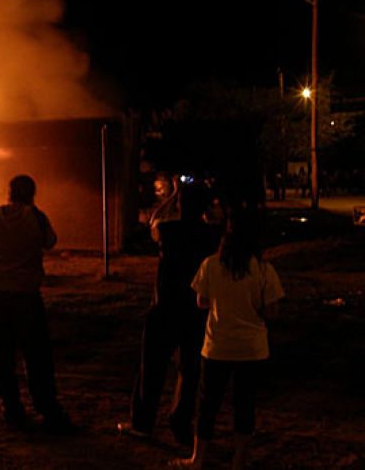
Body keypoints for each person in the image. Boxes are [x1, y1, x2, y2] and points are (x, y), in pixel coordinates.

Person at [173, 209, 284, 469]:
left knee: (207, 404)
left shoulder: (211, 265)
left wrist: (221, 301)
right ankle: (238, 460)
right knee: (244, 405)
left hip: (217, 346)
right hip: (251, 348)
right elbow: (272, 312)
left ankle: (197, 458)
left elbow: (201, 301)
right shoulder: (264, 270)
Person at [118, 183, 222, 445]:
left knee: (151, 368)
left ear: (180, 205)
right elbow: (219, 220)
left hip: (164, 310)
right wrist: (207, 208)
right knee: (189, 372)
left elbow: (152, 219)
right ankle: (180, 421)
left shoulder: (168, 229)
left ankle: (142, 424)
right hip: (195, 311)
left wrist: (174, 195)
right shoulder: (211, 234)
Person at [0, 174, 72, 432]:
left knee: (0, 357)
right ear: (32, 194)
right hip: (26, 296)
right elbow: (50, 242)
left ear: (8, 192)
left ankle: (11, 408)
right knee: (36, 356)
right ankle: (47, 408)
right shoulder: (37, 217)